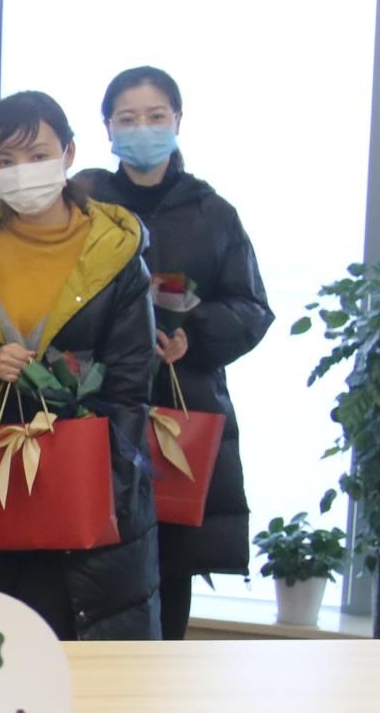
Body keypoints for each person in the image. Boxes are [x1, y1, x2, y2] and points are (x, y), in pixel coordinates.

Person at [0, 90, 159, 639]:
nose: (23, 172)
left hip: (84, 476)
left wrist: (107, 488)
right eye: (6, 160)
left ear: (68, 153)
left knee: (76, 645)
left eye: (38, 155)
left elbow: (132, 382)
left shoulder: (113, 252)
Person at [88, 66, 272, 640]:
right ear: (107, 127)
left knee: (170, 569)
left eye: (155, 116)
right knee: (91, 557)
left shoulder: (212, 213)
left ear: (177, 120)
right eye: (127, 118)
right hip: (93, 405)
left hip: (181, 408)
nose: (142, 128)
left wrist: (196, 334)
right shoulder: (86, 203)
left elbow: (252, 307)